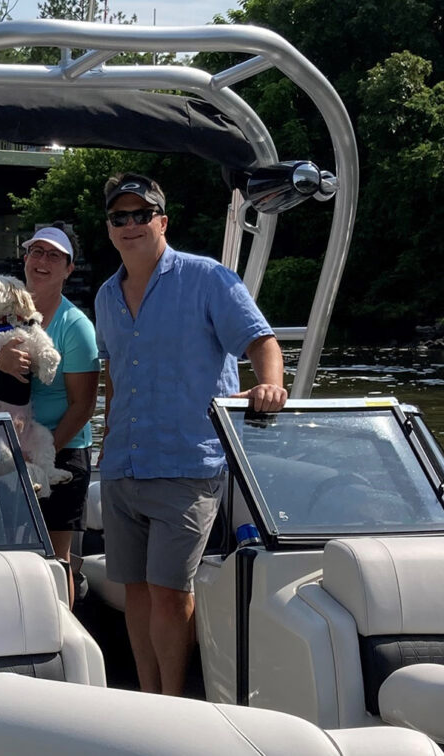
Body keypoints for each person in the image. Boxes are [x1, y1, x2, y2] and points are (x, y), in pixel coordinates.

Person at [95, 172, 288, 696]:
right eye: (120, 217)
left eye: (141, 215)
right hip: (120, 468)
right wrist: (104, 446)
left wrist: (270, 386)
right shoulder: (106, 296)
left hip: (187, 465)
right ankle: (148, 694)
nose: (130, 225)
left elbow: (262, 341)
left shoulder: (208, 278)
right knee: (133, 590)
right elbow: (115, 380)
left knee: (169, 590)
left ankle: (176, 701)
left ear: (162, 220)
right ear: (109, 228)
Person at [0, 225, 100, 605]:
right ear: (25, 259)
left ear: (69, 269)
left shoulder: (76, 326)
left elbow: (83, 405)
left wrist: (39, 455)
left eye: (54, 256)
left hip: (59, 446)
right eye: (37, 252)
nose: (43, 261)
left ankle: (63, 633)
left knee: (56, 558)